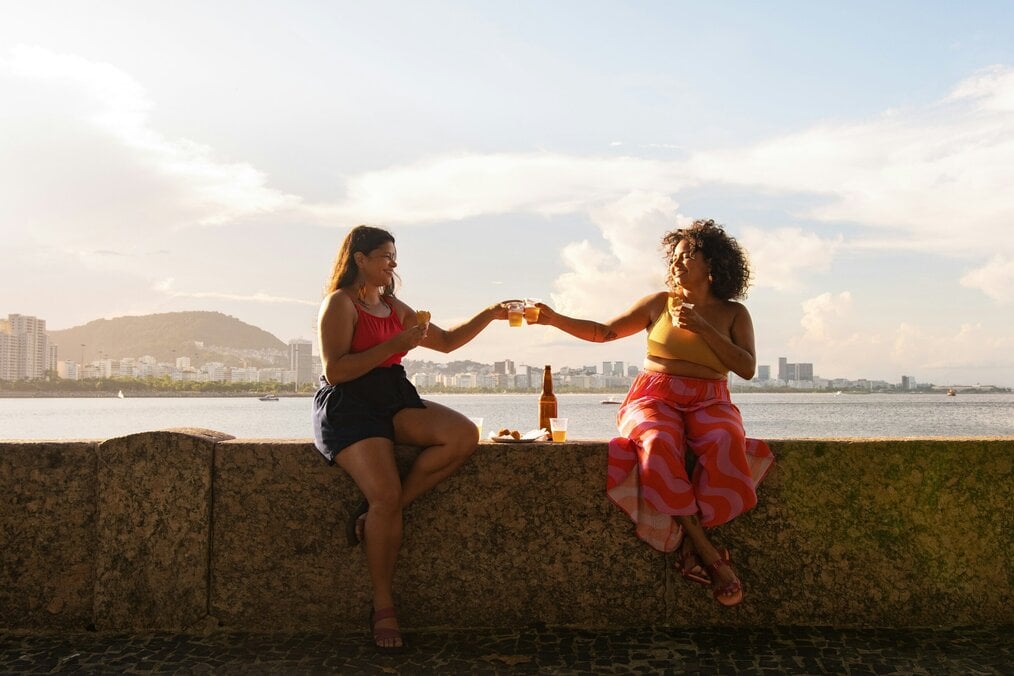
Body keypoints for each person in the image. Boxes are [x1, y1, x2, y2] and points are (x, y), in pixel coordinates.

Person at [532, 219, 773, 607]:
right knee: (658, 440)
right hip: (653, 396)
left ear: (712, 263)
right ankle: (707, 551)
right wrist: (554, 318)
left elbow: (746, 368)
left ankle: (690, 540)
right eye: (674, 257)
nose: (676, 264)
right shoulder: (659, 303)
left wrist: (703, 328)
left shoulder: (733, 314)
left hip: (710, 398)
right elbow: (604, 332)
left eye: (687, 256)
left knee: (726, 438)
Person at [313, 225, 511, 651]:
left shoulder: (392, 305)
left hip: (392, 396)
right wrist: (395, 344)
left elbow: (448, 343)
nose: (393, 263)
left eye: (394, 256)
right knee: (382, 494)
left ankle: (379, 516)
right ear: (360, 258)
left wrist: (490, 313)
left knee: (462, 435)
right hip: (350, 404)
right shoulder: (340, 303)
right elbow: (336, 371)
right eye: (385, 256)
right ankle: (383, 604)